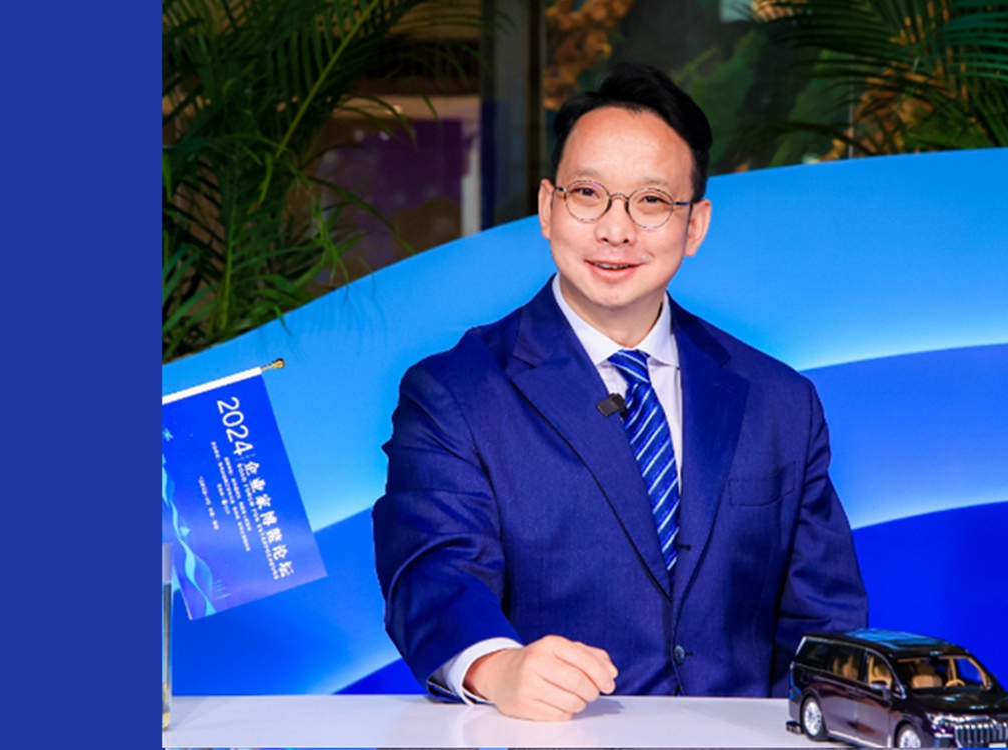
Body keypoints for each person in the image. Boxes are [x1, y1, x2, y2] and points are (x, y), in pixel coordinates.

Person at [371, 63, 868, 722]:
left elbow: (825, 621)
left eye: (652, 201)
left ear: (695, 225)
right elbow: (433, 574)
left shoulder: (779, 402)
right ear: (547, 208)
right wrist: (499, 667)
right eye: (588, 194)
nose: (616, 229)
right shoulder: (456, 393)